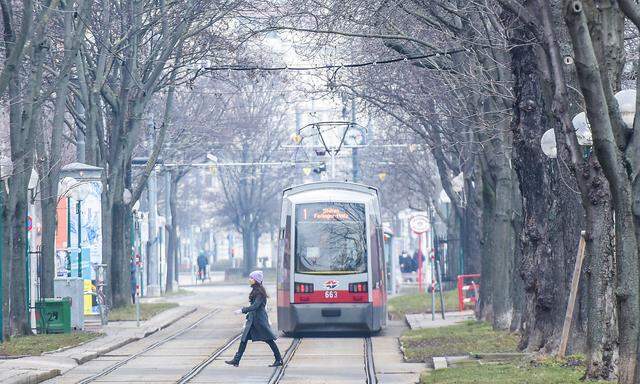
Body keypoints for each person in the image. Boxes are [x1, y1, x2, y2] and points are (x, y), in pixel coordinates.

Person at [226, 270, 283, 367]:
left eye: (251, 278)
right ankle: (236, 360)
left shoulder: (260, 292)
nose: (250, 279)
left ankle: (279, 359)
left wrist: (242, 310)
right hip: (253, 320)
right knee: (243, 339)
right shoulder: (255, 290)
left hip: (259, 321)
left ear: (256, 280)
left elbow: (255, 306)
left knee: (269, 340)